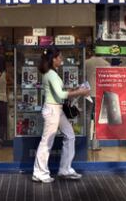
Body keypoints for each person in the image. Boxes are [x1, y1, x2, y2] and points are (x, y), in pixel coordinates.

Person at [32, 47, 90, 183]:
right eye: (60, 57)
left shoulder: (52, 73)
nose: (62, 59)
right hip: (52, 110)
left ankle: (65, 169)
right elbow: (60, 95)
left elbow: (59, 92)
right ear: (53, 59)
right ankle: (39, 172)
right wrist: (80, 92)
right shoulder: (51, 74)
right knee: (47, 141)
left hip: (57, 109)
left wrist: (75, 90)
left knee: (70, 135)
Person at [85, 48, 110, 150]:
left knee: (87, 116)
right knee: (97, 119)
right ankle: (95, 145)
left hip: (88, 93)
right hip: (100, 93)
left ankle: (86, 144)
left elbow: (83, 77)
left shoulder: (86, 62)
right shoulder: (106, 64)